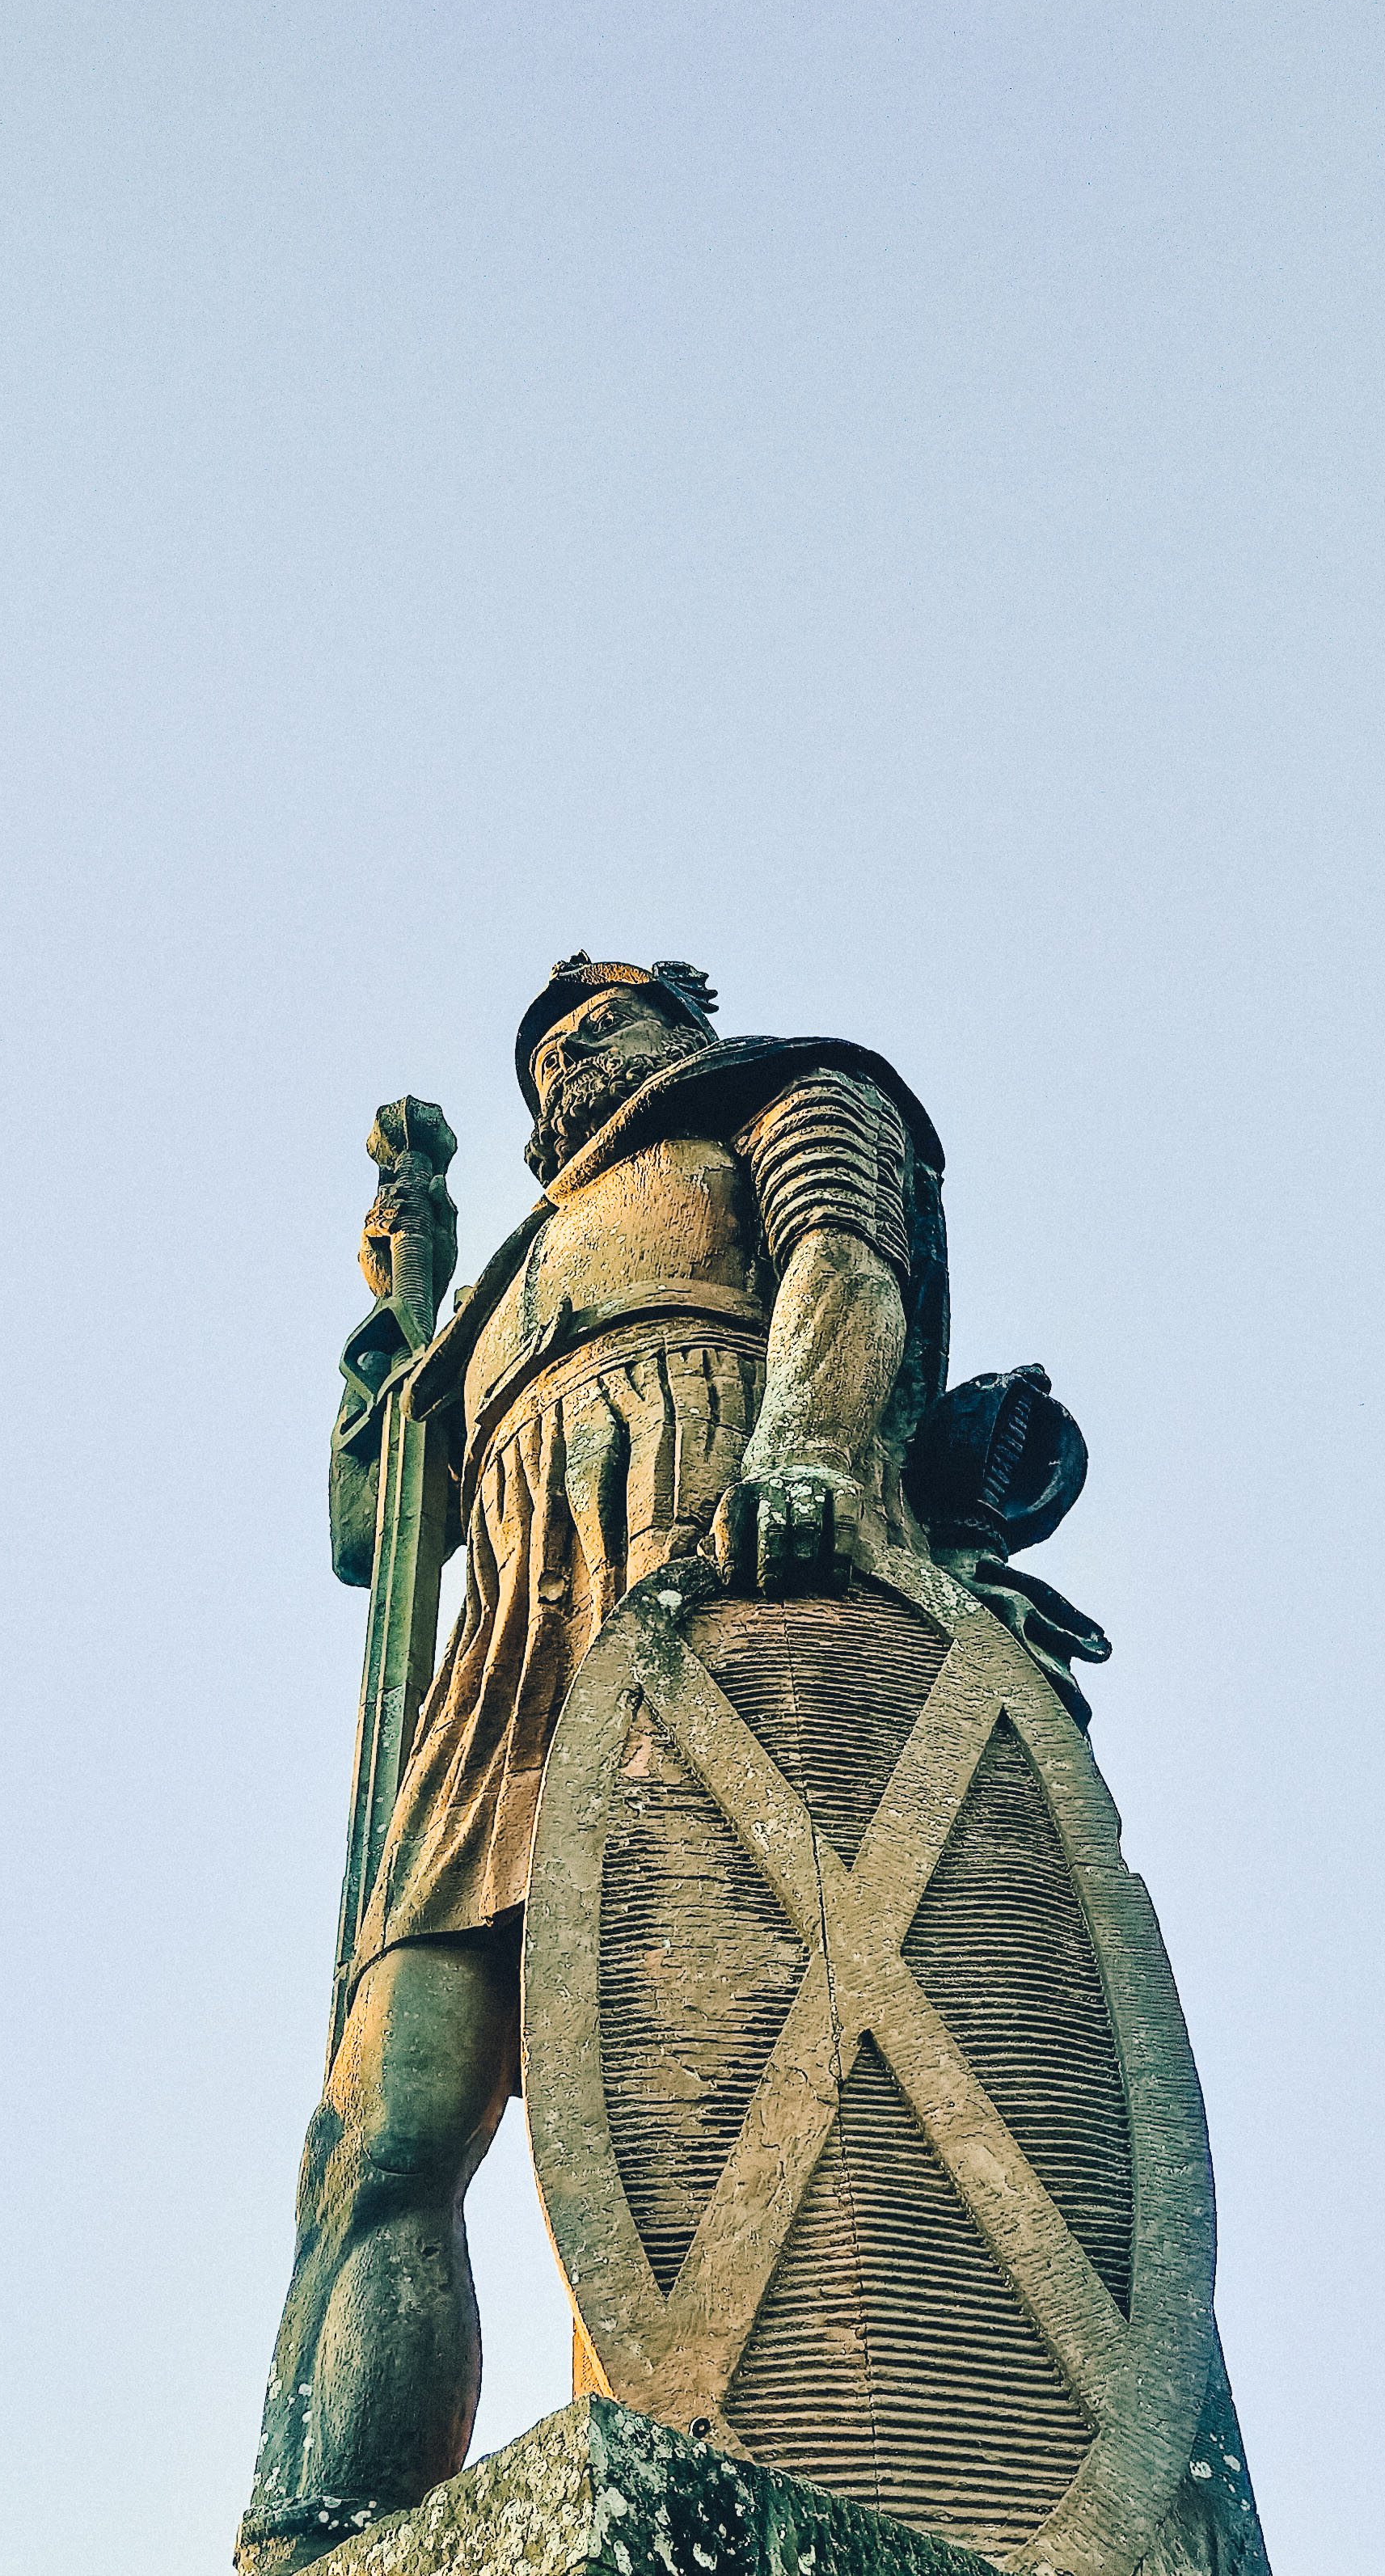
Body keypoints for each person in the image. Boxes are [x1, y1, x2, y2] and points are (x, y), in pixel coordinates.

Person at [236, 955, 952, 2574]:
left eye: (596, 1029)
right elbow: (374, 1530)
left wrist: (811, 1445)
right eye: (545, 1054)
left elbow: (844, 1259)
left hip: (702, 1586)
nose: (568, 1064)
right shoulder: (495, 1294)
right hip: (498, 1678)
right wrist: (398, 1326)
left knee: (666, 2102)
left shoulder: (781, 1099)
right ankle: (327, 2523)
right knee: (384, 2126)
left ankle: (701, 2445)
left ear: (681, 1026)